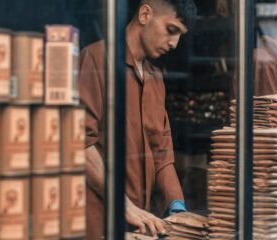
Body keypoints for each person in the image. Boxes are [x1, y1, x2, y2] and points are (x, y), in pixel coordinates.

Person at [79, 0, 197, 238]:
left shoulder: (156, 78)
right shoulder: (97, 59)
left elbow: (162, 154)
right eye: (171, 30)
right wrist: (126, 206)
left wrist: (178, 207)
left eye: (180, 36)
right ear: (145, 14)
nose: (174, 44)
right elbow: (79, 144)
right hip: (99, 223)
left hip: (142, 223)